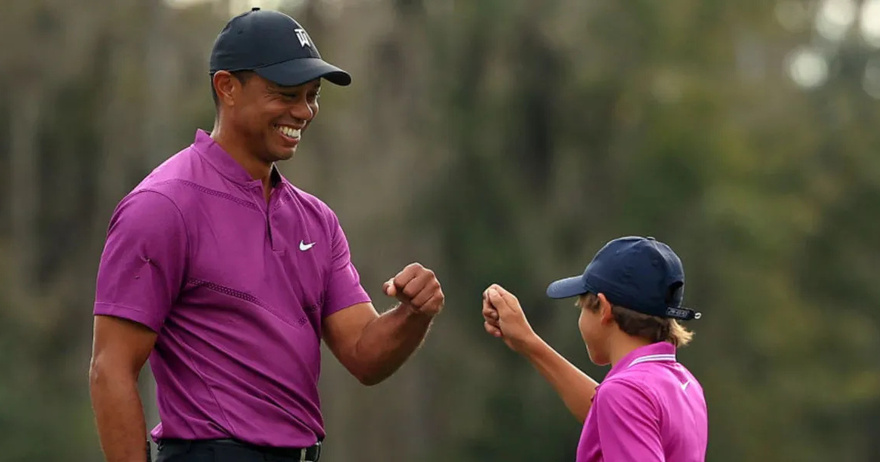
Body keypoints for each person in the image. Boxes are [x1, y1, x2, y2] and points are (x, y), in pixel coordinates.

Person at [89, 8, 444, 462]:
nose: (303, 111)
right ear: (227, 87)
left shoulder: (316, 220)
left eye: (313, 96)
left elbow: (363, 354)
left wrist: (413, 314)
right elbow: (111, 369)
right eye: (286, 94)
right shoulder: (163, 205)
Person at [482, 236, 707, 461]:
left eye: (582, 306)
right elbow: (614, 418)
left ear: (604, 310)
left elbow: (620, 407)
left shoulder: (624, 394)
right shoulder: (682, 382)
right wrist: (527, 342)